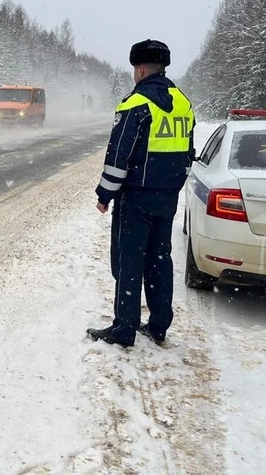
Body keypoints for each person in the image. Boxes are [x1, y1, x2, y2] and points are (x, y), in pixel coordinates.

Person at [87, 39, 195, 348]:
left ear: (141, 68)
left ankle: (124, 328)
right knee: (160, 260)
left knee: (128, 261)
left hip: (135, 198)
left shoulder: (135, 104)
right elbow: (188, 151)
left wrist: (105, 195)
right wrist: (172, 185)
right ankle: (159, 325)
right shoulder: (184, 103)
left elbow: (118, 155)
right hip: (168, 197)